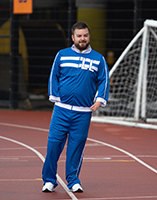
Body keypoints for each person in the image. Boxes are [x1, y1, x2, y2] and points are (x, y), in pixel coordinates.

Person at [42, 22, 109, 193]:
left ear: (89, 36)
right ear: (73, 37)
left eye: (85, 35)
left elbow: (103, 80)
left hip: (83, 113)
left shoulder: (98, 59)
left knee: (76, 148)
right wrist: (55, 97)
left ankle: (73, 180)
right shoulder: (62, 55)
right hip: (61, 111)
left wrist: (100, 98)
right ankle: (49, 180)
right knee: (53, 146)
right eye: (79, 36)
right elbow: (54, 75)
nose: (82, 38)